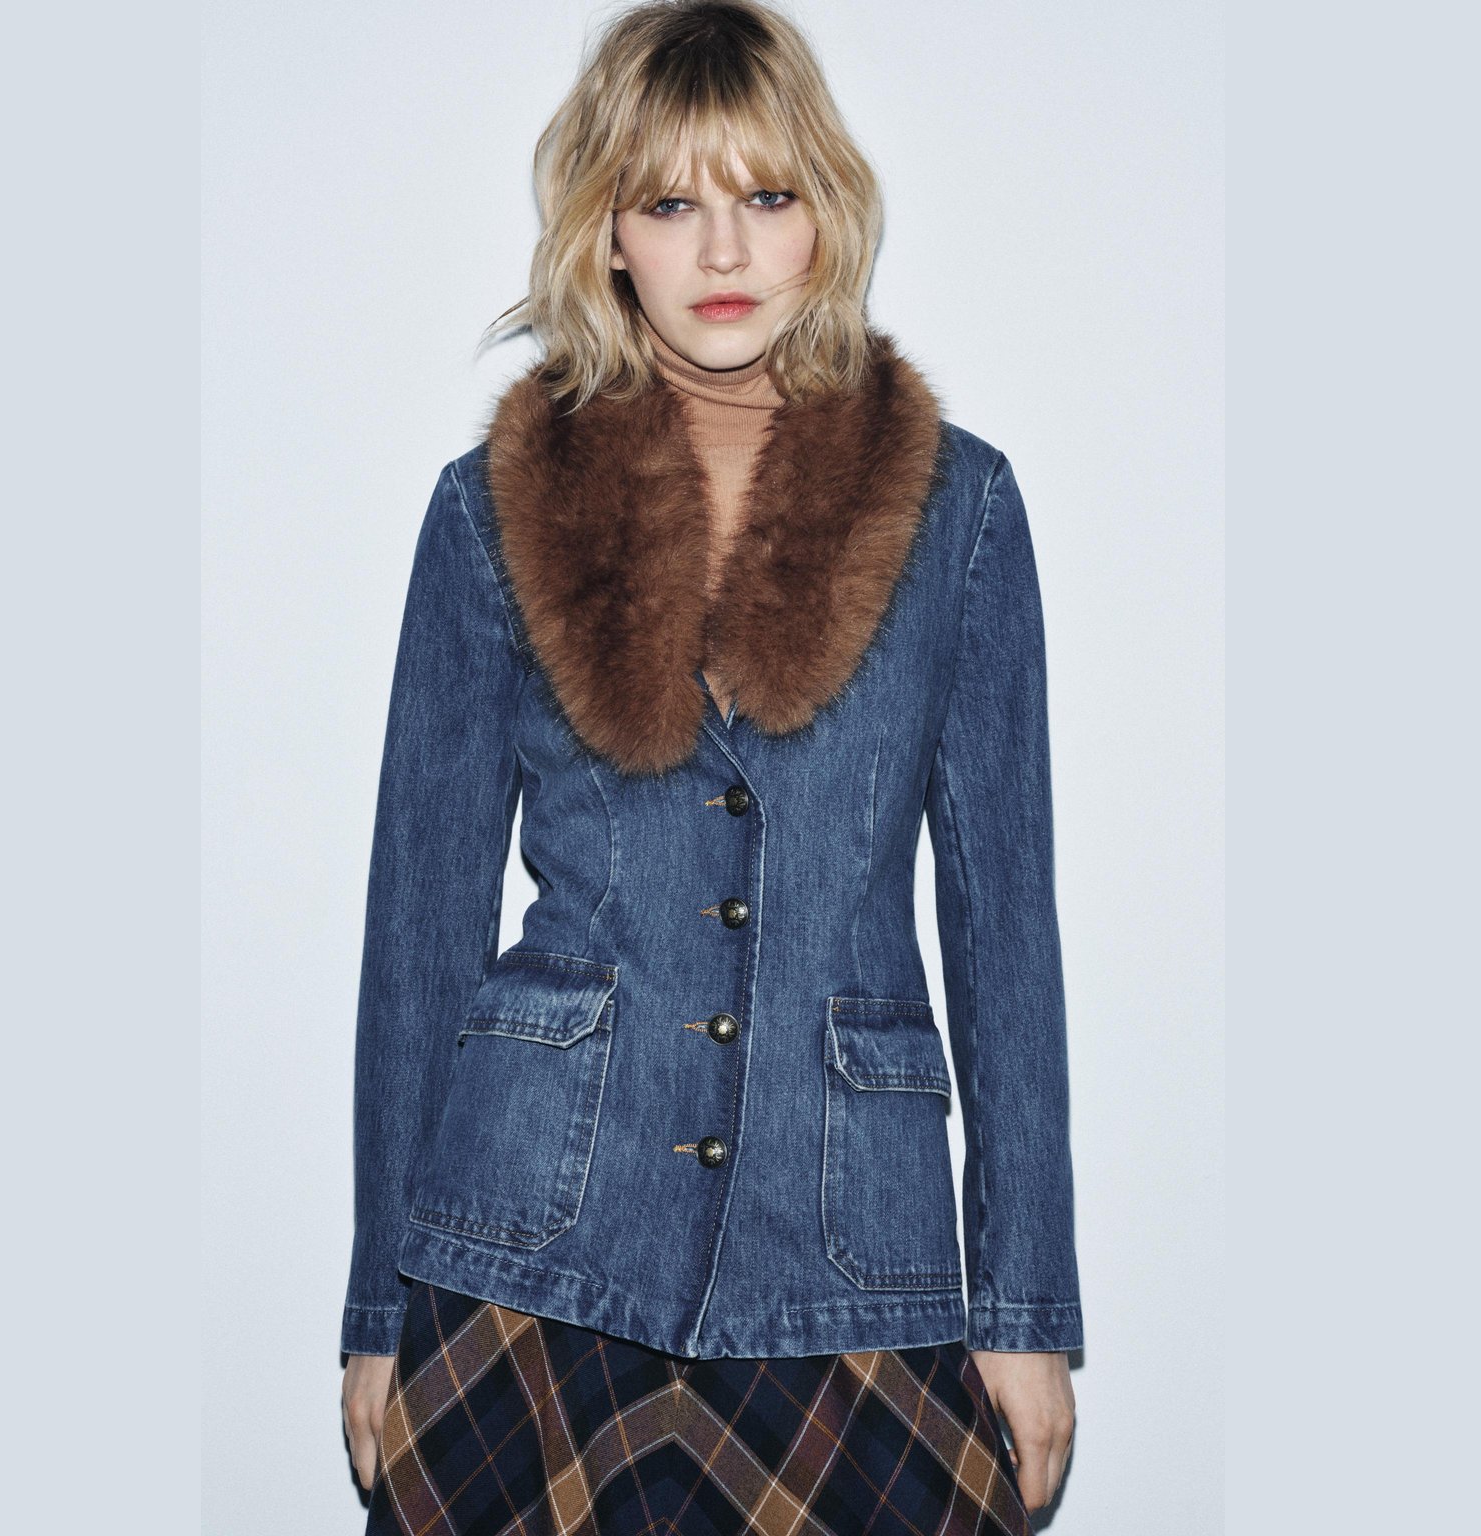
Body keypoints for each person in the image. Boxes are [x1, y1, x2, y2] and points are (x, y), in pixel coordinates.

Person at [340, 3, 1081, 1531]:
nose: (724, 250)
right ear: (610, 235)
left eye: (766, 194)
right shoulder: (490, 508)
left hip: (849, 1239)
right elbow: (419, 924)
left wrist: (1026, 1306)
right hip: (532, 1237)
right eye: (671, 202)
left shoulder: (959, 510)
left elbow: (1006, 929)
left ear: (828, 214)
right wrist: (375, 1306)